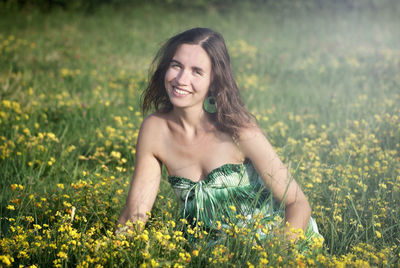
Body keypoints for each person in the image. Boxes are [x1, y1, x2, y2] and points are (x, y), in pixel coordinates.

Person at [116, 27, 321, 246]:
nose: (181, 79)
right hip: (206, 252)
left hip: (277, 241)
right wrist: (111, 254)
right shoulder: (155, 129)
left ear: (214, 80)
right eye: (176, 66)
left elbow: (297, 203)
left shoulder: (238, 130)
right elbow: (135, 214)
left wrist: (275, 255)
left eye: (197, 71)